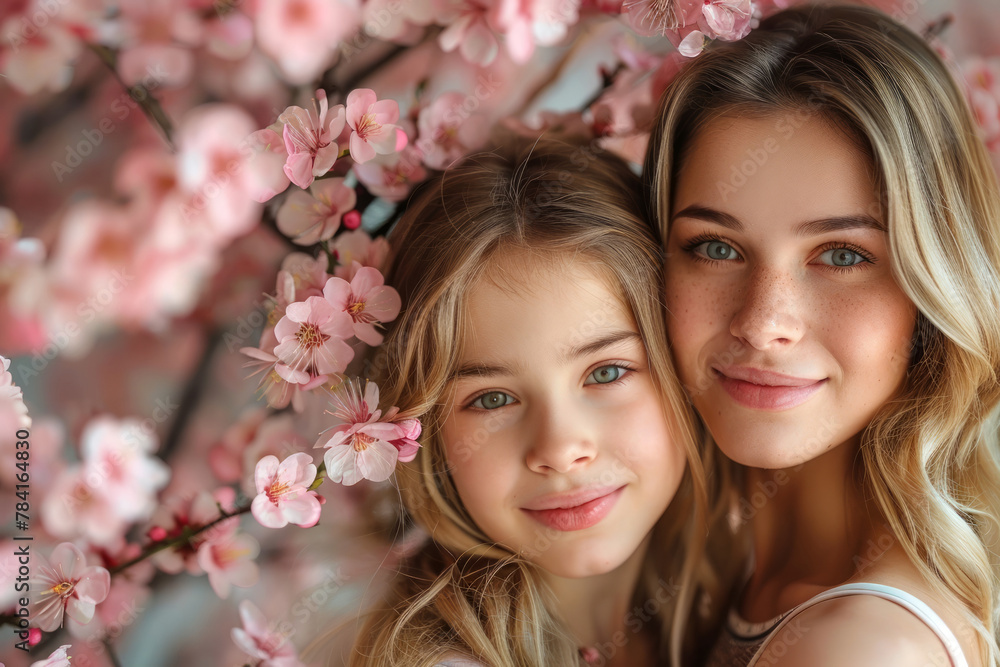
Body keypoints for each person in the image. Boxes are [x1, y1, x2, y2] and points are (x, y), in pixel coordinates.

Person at [644, 4, 1000, 666]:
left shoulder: (860, 648)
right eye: (715, 247)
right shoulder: (719, 574)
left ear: (932, 293)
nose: (761, 322)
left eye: (841, 255)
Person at [338, 137, 729, 667]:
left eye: (607, 372)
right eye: (492, 398)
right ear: (426, 433)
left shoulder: (741, 602)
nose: (561, 449)